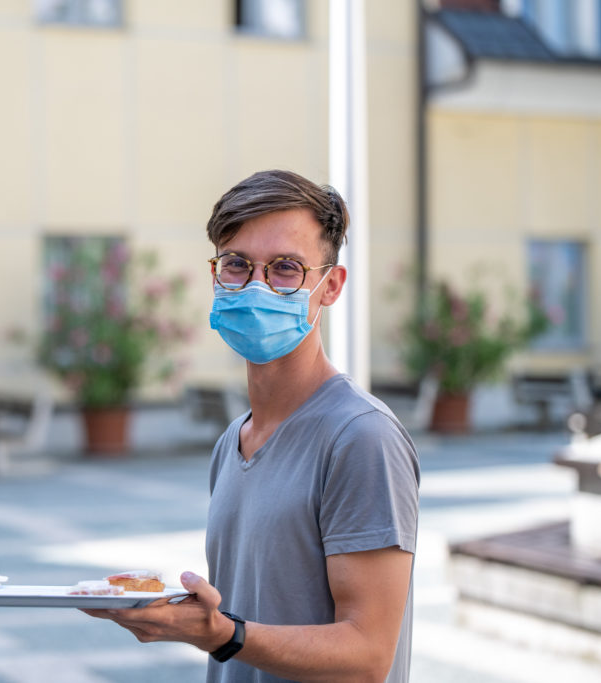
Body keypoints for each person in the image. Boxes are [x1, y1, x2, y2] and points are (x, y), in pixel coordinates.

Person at [85, 169, 420, 683]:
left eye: (286, 268)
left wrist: (224, 634)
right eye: (237, 264)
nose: (256, 285)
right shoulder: (232, 442)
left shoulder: (361, 437)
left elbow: (368, 655)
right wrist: (184, 616)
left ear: (330, 286)